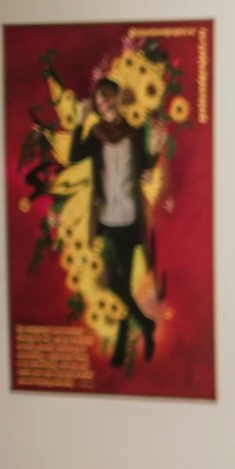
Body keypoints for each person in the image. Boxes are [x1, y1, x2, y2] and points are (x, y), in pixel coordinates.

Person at [68, 78, 164, 368]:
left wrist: (154, 154)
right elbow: (73, 157)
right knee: (113, 283)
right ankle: (145, 324)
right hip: (107, 220)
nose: (104, 105)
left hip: (130, 219)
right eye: (99, 102)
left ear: (118, 98)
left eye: (108, 97)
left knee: (122, 284)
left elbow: (144, 168)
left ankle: (124, 340)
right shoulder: (96, 136)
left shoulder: (135, 132)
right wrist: (81, 120)